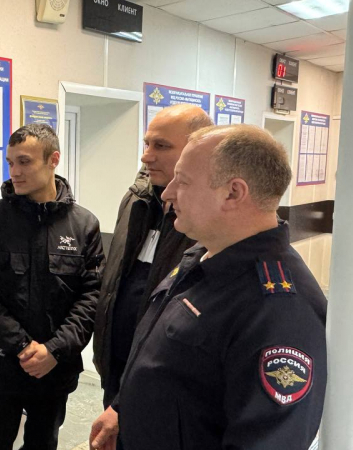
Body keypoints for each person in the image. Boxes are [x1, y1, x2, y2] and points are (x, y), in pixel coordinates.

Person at [92, 124, 327, 450]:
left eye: (183, 181)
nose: (167, 193)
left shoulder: (280, 310)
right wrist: (122, 409)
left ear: (233, 193)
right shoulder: (202, 254)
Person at [0, 123, 105, 450]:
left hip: (56, 368)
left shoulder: (83, 225)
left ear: (53, 160)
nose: (15, 171)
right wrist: (22, 346)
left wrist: (54, 350)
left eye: (24, 161)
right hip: (2, 364)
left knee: (43, 444)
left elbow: (92, 296)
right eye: (10, 162)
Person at [90, 104, 213, 446]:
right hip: (116, 363)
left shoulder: (207, 216)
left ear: (196, 149)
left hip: (163, 381)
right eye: (147, 144)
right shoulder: (135, 199)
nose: (146, 156)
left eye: (161, 146)